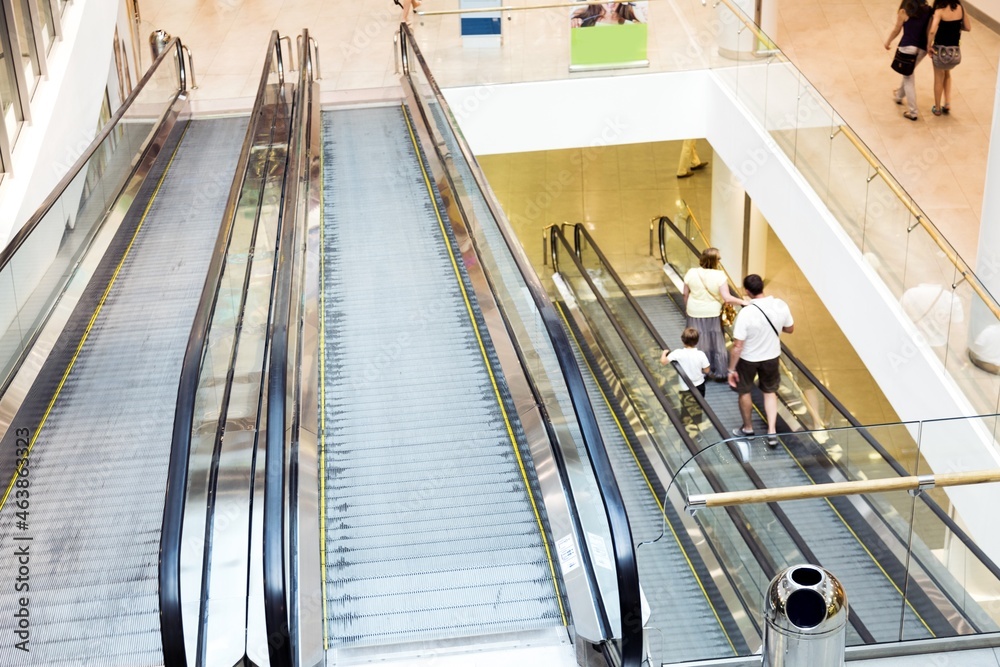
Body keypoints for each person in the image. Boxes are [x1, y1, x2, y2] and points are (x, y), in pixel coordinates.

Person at [727, 274, 794, 447]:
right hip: (771, 356)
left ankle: (748, 429)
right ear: (762, 287)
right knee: (770, 392)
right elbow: (790, 328)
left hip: (748, 359)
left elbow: (737, 346)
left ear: (747, 291)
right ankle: (772, 431)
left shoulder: (746, 313)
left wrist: (731, 370)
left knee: (745, 391)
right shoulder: (780, 305)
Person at [682, 248, 746, 380]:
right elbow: (727, 298)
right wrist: (743, 302)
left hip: (694, 312)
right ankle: (718, 371)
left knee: (696, 341)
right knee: (715, 342)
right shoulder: (720, 276)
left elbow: (685, 294)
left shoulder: (691, 273)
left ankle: (697, 371)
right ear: (715, 261)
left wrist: (688, 306)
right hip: (712, 313)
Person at [884, 0, 932, 120]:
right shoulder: (928, 10)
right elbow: (930, 30)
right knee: (908, 72)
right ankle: (899, 96)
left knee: (908, 77)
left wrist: (888, 41)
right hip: (922, 49)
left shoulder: (905, 10)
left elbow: (897, 29)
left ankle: (913, 111)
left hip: (908, 47)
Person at [927, 0, 970, 116]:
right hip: (954, 54)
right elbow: (968, 27)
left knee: (938, 78)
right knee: (947, 74)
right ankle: (947, 103)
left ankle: (937, 108)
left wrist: (928, 46)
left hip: (940, 52)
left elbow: (932, 31)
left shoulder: (939, 11)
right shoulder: (960, 8)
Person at [660, 328, 711, 396]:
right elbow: (707, 370)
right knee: (700, 404)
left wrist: (664, 353)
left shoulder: (678, 353)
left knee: (686, 404)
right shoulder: (701, 354)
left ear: (682, 340)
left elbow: (663, 362)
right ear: (697, 341)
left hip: (684, 386)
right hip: (699, 384)